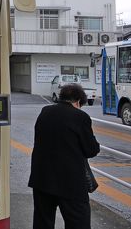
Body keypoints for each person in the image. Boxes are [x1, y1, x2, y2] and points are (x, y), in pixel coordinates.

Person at [28, 83, 100, 229]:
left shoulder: (45, 111)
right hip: (70, 182)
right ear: (78, 101)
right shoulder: (80, 117)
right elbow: (91, 150)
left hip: (42, 179)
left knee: (43, 221)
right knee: (78, 222)